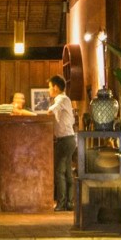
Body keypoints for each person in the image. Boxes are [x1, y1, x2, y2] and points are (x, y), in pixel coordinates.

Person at [44, 74, 76, 212]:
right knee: (68, 172)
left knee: (59, 172)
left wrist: (48, 111)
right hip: (69, 139)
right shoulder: (66, 100)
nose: (49, 90)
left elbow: (51, 110)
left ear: (56, 87)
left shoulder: (61, 98)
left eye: (50, 87)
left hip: (64, 140)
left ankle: (62, 204)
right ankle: (70, 203)